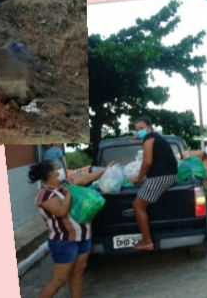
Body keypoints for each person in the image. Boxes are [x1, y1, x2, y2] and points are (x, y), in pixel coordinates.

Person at [28, 157, 115, 298]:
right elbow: (61, 211)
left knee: (78, 273)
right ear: (51, 173)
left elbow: (85, 179)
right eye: (58, 168)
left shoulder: (66, 183)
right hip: (64, 241)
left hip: (83, 237)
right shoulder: (44, 194)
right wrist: (69, 193)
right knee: (59, 280)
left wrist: (106, 169)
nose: (62, 169)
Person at [127, 116, 181, 252]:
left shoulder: (149, 137)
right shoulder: (156, 138)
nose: (138, 131)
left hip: (161, 177)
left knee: (137, 205)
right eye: (137, 129)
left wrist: (138, 178)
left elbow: (147, 162)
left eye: (141, 128)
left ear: (149, 128)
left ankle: (147, 242)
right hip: (168, 175)